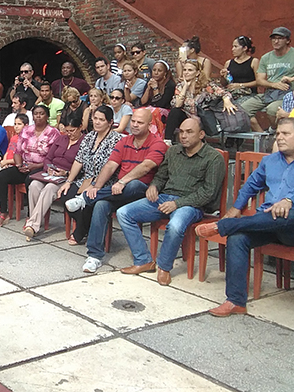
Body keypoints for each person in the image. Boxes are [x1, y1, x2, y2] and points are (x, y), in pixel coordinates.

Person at [193, 118, 294, 316]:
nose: (280, 138)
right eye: (277, 134)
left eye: (286, 134)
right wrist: (236, 207)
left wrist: (288, 200)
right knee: (238, 238)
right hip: (267, 222)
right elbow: (251, 185)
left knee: (285, 215)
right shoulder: (270, 161)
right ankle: (235, 301)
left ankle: (225, 226)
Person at [117, 117, 225, 286]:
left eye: (189, 132)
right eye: (181, 132)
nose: (184, 136)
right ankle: (143, 260)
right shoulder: (173, 151)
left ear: (201, 134)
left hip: (191, 204)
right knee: (123, 213)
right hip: (165, 197)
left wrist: (177, 204)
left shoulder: (213, 158)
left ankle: (164, 267)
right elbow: (161, 176)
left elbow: (208, 193)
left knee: (175, 226)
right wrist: (154, 186)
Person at [64, 109, 167, 273]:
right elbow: (111, 165)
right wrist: (97, 186)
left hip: (144, 192)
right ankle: (95, 256)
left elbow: (147, 166)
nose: (134, 125)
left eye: (140, 122)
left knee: (133, 185)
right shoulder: (125, 141)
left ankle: (84, 199)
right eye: (133, 121)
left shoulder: (157, 144)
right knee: (101, 204)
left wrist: (123, 181)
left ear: (149, 125)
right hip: (119, 192)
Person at [57, 105, 122, 244]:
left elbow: (109, 167)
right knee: (64, 194)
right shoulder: (89, 136)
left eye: (101, 120)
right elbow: (79, 160)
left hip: (105, 181)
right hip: (86, 179)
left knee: (90, 200)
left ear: (110, 122)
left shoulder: (116, 139)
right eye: (95, 118)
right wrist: (68, 181)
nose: (97, 122)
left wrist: (94, 185)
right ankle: (86, 226)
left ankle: (80, 230)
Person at [0, 105, 60, 227]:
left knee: (31, 180)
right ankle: (3, 212)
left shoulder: (53, 133)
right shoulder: (26, 130)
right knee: (2, 175)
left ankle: (30, 216)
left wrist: (35, 166)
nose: (38, 116)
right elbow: (18, 151)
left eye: (41, 113)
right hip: (23, 165)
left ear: (47, 116)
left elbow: (53, 158)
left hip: (41, 168)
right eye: (36, 114)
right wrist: (19, 165)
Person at [23, 115, 83, 239]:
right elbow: (48, 158)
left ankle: (32, 225)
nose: (69, 134)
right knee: (34, 185)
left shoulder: (84, 142)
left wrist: (66, 173)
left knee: (49, 188)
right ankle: (34, 221)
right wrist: (48, 168)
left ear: (80, 127)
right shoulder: (61, 139)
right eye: (67, 131)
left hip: (67, 177)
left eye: (72, 131)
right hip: (51, 173)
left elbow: (83, 167)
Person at [240, 27, 294, 131]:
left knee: (272, 110)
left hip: (288, 94)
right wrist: (274, 85)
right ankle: (263, 135)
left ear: (288, 40)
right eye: (273, 38)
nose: (276, 41)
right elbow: (260, 80)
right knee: (242, 109)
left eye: (280, 38)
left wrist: (292, 78)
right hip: (269, 94)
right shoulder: (266, 57)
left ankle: (275, 130)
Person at [164, 60, 235, 141]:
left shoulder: (205, 85)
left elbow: (224, 93)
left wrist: (226, 100)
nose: (186, 72)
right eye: (184, 70)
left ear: (197, 73)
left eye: (190, 70)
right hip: (186, 118)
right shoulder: (180, 86)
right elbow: (177, 105)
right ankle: (167, 141)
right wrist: (185, 87)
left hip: (201, 119)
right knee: (175, 112)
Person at [0, 113, 28, 218]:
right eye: (15, 124)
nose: (16, 126)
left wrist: (7, 162)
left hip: (13, 165)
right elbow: (8, 151)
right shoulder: (14, 137)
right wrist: (4, 160)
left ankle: (2, 205)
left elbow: (21, 158)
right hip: (6, 162)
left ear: (26, 126)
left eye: (19, 124)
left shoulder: (26, 140)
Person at [220, 35, 259, 103]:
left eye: (236, 46)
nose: (233, 49)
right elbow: (224, 84)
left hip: (248, 94)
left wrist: (240, 85)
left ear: (244, 48)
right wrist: (222, 76)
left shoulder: (254, 61)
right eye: (233, 46)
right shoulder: (228, 63)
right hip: (231, 94)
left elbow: (259, 81)